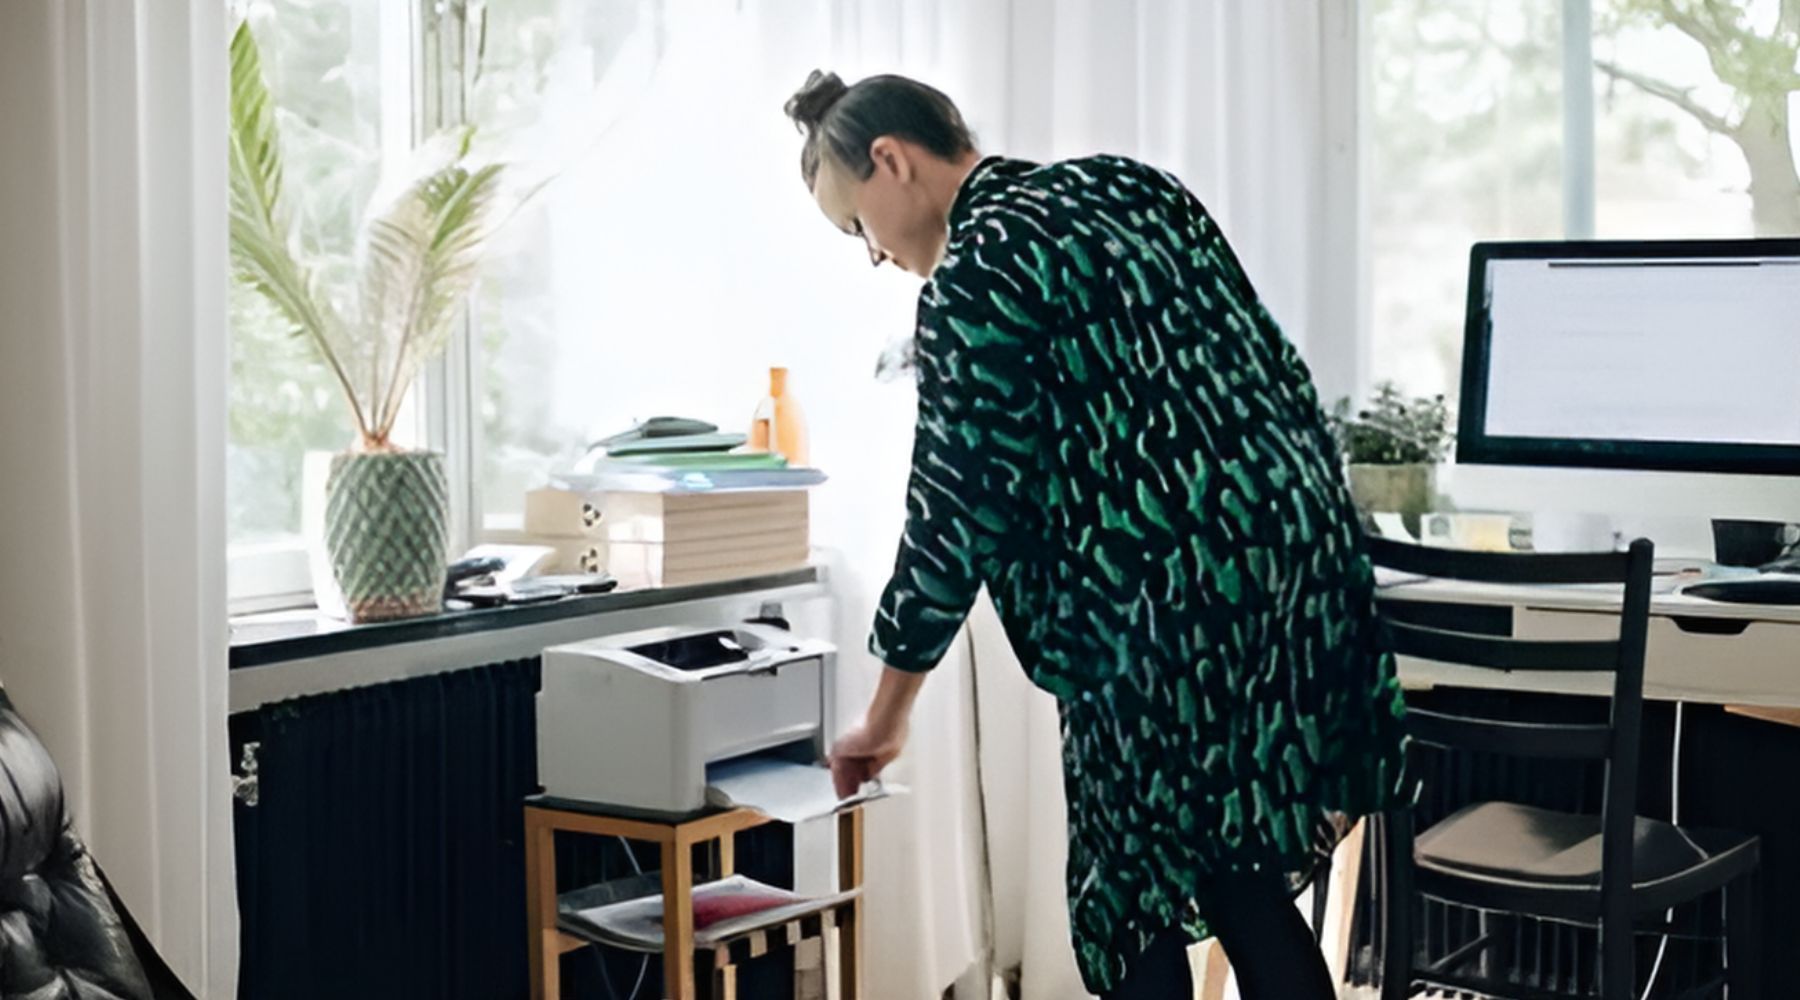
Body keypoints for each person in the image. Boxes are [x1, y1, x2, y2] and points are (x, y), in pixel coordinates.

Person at [786, 69, 1408, 1000]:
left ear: (891, 160)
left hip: (1158, 615)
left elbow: (954, 510)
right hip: (1292, 570)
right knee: (1233, 865)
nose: (874, 253)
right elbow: (1263, 367)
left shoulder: (977, 271)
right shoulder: (1128, 184)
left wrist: (886, 714)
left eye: (855, 225)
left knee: (1129, 904)